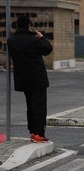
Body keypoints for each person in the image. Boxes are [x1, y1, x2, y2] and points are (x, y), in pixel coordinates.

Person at [7, 14, 53, 143]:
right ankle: (39, 133)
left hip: (23, 79)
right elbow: (48, 49)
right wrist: (41, 37)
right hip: (37, 78)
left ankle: (32, 132)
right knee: (39, 107)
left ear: (17, 25)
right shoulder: (33, 39)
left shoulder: (11, 40)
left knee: (30, 106)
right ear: (28, 25)